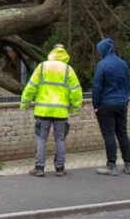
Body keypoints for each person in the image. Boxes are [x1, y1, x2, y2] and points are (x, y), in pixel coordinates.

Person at [20, 44, 83, 176]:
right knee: (60, 140)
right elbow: (76, 90)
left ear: (52, 52)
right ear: (64, 53)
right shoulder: (68, 69)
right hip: (60, 112)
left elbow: (31, 86)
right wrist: (76, 107)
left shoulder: (42, 67)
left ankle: (39, 168)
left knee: (41, 139)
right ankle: (60, 168)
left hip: (43, 111)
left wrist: (25, 103)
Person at [92, 37, 130, 175]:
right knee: (122, 133)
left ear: (103, 49)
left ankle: (111, 166)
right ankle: (128, 165)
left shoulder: (102, 65)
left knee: (109, 135)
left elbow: (97, 86)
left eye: (99, 50)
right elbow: (128, 84)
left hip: (106, 104)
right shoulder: (123, 64)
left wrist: (95, 105)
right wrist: (125, 100)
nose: (99, 53)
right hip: (122, 104)